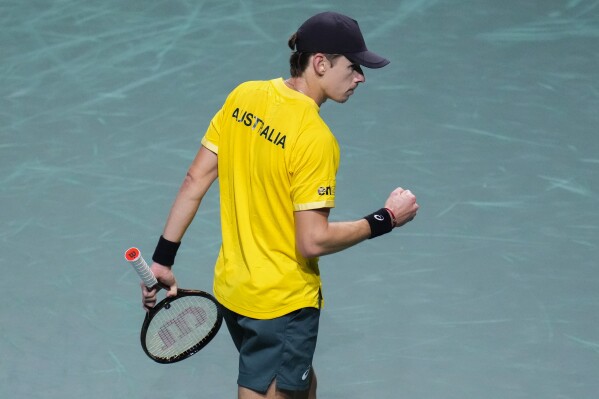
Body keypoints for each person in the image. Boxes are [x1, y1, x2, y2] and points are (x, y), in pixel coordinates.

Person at [141, 11, 419, 399]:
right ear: (320, 63)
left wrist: (162, 259)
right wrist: (385, 219)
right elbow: (312, 241)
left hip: (233, 293)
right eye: (353, 67)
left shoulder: (244, 96)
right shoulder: (314, 137)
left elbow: (195, 180)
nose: (361, 77)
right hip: (281, 306)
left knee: (302, 384)